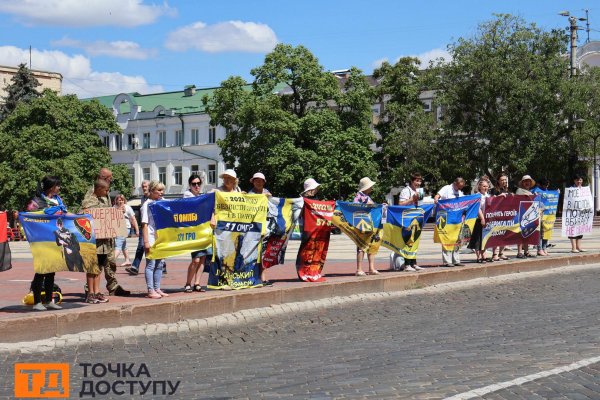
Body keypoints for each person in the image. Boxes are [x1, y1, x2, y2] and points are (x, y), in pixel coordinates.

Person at [82, 168, 130, 296]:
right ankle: (91, 289)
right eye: (109, 177)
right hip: (97, 237)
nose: (111, 179)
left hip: (107, 235)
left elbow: (107, 210)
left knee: (110, 261)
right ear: (103, 177)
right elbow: (90, 211)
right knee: (96, 264)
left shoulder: (106, 192)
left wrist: (117, 213)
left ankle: (112, 286)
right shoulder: (93, 192)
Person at [26, 175, 67, 311]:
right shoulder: (37, 201)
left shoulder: (58, 200)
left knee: (51, 270)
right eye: (57, 185)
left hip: (55, 239)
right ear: (51, 187)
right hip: (42, 239)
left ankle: (49, 300)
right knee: (41, 270)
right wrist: (45, 212)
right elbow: (29, 216)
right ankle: (37, 301)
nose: (59, 188)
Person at [80, 179, 112, 304]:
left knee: (99, 267)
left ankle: (97, 292)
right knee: (91, 267)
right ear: (98, 189)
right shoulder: (88, 202)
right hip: (93, 241)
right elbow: (83, 215)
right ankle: (90, 293)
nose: (107, 192)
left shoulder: (103, 200)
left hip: (104, 241)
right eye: (105, 190)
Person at [142, 180, 168, 298]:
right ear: (152, 191)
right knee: (151, 264)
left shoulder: (162, 202)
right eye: (159, 190)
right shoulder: (146, 204)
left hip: (160, 238)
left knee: (160, 264)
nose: (162, 193)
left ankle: (157, 288)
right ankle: (150, 290)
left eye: (163, 190)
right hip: (151, 237)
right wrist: (146, 241)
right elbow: (144, 224)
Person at [183, 174, 209, 293]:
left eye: (199, 183)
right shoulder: (187, 195)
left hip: (203, 230)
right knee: (196, 259)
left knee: (203, 258)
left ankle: (197, 283)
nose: (197, 186)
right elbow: (193, 205)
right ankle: (188, 283)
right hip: (193, 231)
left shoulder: (201, 196)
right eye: (194, 184)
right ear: (190, 185)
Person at [434, 177, 466, 267]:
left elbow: (464, 202)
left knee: (456, 240)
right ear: (455, 183)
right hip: (446, 219)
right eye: (459, 187)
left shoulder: (460, 193)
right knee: (447, 239)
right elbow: (437, 195)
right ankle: (447, 261)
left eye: (461, 187)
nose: (460, 189)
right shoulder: (446, 188)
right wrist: (436, 199)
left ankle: (456, 260)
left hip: (457, 220)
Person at [248, 172, 274, 286]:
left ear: (264, 182)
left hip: (265, 227)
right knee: (252, 252)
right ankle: (251, 276)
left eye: (261, 180)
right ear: (253, 181)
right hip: (253, 227)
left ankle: (263, 277)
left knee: (263, 253)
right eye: (256, 180)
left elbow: (273, 207)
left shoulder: (268, 194)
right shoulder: (249, 194)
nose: (258, 182)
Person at [396, 172, 424, 271]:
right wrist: (412, 199)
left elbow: (420, 204)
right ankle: (407, 264)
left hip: (416, 219)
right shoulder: (405, 191)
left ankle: (414, 263)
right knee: (408, 241)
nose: (419, 183)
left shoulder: (420, 191)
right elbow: (400, 204)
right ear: (412, 181)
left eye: (420, 181)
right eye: (417, 180)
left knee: (415, 240)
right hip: (407, 219)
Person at [353, 177, 380, 276]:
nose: (372, 187)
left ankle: (371, 268)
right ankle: (359, 269)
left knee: (371, 246)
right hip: (362, 224)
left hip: (369, 224)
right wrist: (367, 205)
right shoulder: (359, 196)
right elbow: (355, 208)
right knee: (361, 246)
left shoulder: (367, 196)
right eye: (370, 186)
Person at [126, 180, 150, 276]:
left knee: (152, 247)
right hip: (143, 225)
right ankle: (135, 267)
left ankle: (162, 265)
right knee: (140, 246)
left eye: (146, 186)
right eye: (143, 186)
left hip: (151, 226)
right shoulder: (142, 198)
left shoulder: (153, 198)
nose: (144, 188)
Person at [467, 177, 490, 263]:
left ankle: (484, 255)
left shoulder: (488, 196)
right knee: (478, 238)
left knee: (485, 238)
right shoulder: (477, 196)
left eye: (487, 186)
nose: (485, 188)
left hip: (487, 219)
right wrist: (482, 218)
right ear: (479, 187)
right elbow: (478, 208)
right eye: (484, 186)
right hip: (478, 220)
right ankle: (478, 256)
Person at [113, 194, 138, 267]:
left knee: (118, 244)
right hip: (117, 227)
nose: (120, 201)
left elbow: (133, 219)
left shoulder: (128, 208)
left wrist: (137, 230)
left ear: (124, 200)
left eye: (122, 200)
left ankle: (112, 261)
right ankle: (127, 260)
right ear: (116, 200)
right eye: (119, 200)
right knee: (123, 245)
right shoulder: (114, 207)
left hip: (125, 227)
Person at [491, 172, 511, 261]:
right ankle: (494, 254)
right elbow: (490, 201)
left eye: (505, 180)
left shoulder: (507, 190)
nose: (504, 182)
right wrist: (499, 196)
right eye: (502, 180)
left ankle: (501, 253)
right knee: (496, 235)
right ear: (498, 181)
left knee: (504, 235)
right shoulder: (493, 190)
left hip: (505, 216)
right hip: (496, 216)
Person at [515, 175, 536, 258]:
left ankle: (526, 251)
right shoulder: (519, 190)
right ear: (522, 182)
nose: (527, 183)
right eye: (525, 181)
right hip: (521, 215)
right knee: (520, 234)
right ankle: (519, 252)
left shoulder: (530, 192)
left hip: (529, 216)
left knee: (527, 233)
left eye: (529, 181)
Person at [568, 174, 586, 253]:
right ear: (574, 181)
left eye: (580, 180)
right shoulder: (571, 189)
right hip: (572, 213)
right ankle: (573, 248)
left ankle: (579, 247)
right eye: (577, 180)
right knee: (572, 230)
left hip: (581, 213)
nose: (579, 181)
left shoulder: (584, 190)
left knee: (580, 230)